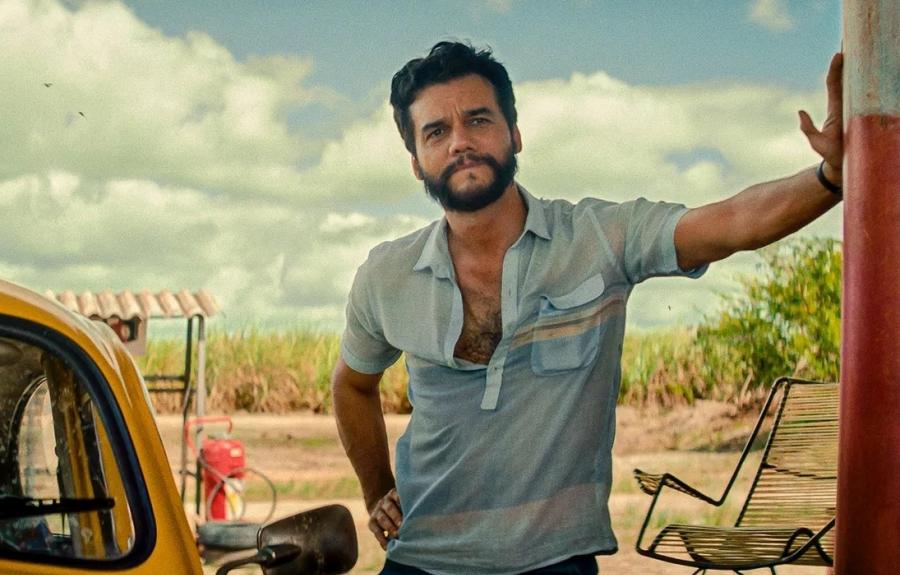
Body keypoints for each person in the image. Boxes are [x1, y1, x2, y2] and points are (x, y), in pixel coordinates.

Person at [332, 41, 843, 575]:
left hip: (554, 561)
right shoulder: (387, 274)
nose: (460, 141)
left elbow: (734, 221)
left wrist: (830, 176)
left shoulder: (600, 239)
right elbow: (352, 384)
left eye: (478, 119)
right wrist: (377, 490)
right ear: (416, 162)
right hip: (421, 559)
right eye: (436, 131)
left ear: (514, 134)